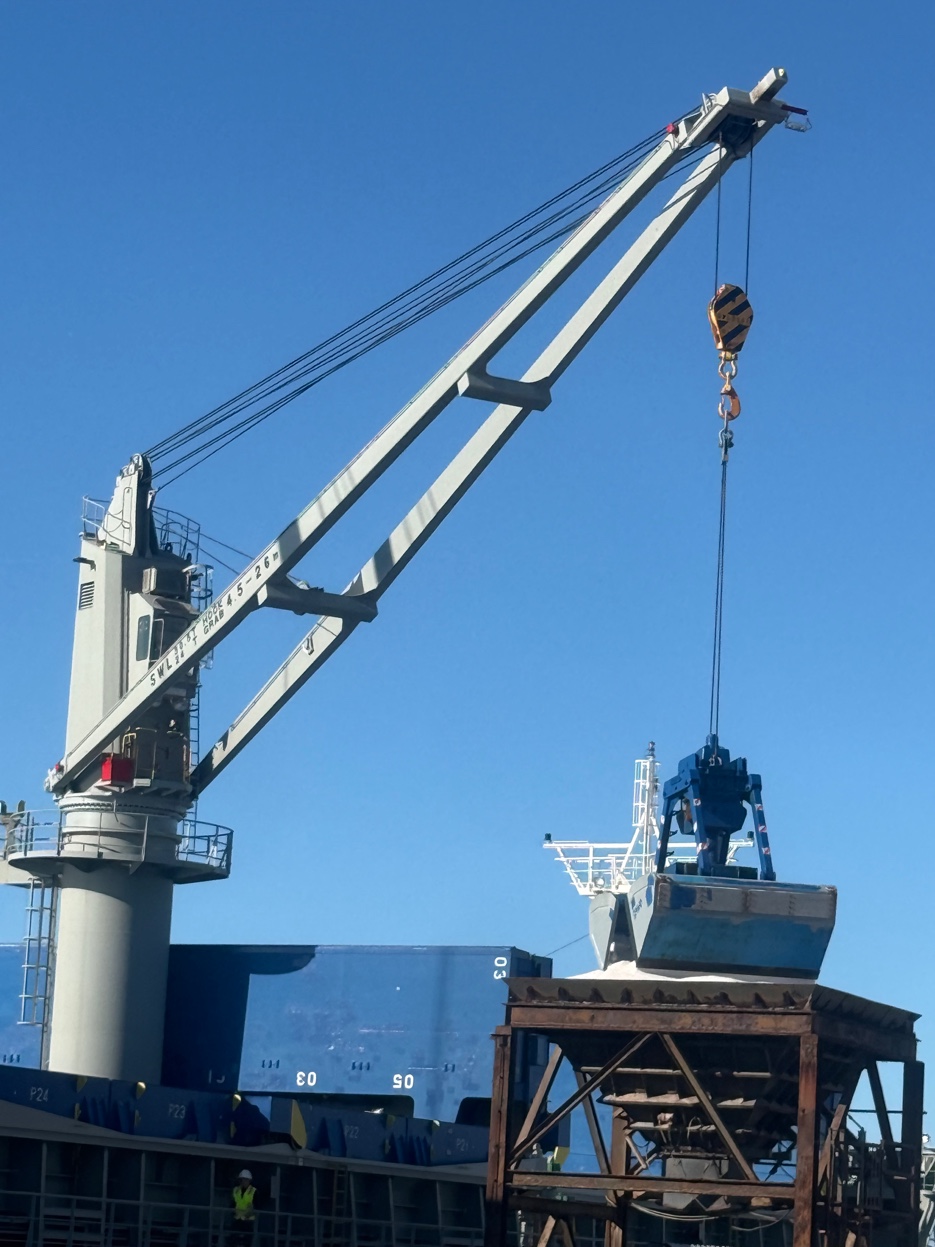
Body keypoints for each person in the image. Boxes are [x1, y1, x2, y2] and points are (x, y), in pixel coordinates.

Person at [230, 1169, 257, 1245]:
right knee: (233, 1238)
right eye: (242, 1179)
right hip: (237, 1219)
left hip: (248, 1221)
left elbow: (255, 1206)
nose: (244, 1181)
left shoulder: (253, 1191)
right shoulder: (235, 1190)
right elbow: (232, 1204)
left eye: (246, 1179)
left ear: (249, 1181)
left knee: (247, 1240)